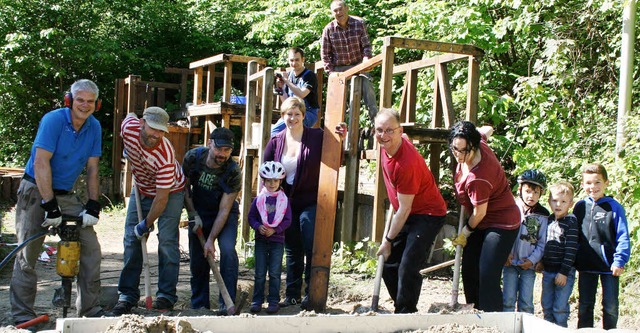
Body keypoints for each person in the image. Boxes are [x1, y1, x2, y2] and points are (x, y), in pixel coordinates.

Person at [10, 79, 104, 324]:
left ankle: (89, 311)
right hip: (36, 189)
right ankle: (22, 317)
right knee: (27, 255)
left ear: (97, 104)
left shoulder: (94, 127)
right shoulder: (53, 121)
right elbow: (41, 162)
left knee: (91, 249)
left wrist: (93, 204)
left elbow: (93, 169)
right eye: (80, 100)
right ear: (69, 100)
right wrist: (49, 205)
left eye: (90, 101)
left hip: (66, 193)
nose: (85, 105)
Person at [110, 107, 186, 316]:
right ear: (143, 123)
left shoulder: (165, 155)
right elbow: (128, 116)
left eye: (161, 131)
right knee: (131, 239)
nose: (156, 135)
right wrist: (128, 149)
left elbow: (161, 199)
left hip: (170, 192)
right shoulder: (129, 128)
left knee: (167, 241)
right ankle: (127, 295)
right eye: (153, 129)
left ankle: (166, 296)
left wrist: (146, 224)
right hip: (141, 188)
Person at [373, 109, 447, 313]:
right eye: (379, 130)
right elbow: (403, 209)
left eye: (389, 130)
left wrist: (387, 240)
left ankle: (405, 312)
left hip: (428, 214)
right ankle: (402, 305)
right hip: (405, 211)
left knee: (408, 264)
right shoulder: (386, 143)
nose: (384, 135)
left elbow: (405, 210)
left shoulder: (407, 164)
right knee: (388, 264)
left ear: (399, 131)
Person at [449, 121, 520, 312]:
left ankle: (492, 319)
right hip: (481, 221)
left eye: (464, 151)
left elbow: (480, 213)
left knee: (487, 272)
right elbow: (489, 128)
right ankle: (475, 312)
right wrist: (483, 131)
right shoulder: (477, 139)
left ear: (474, 146)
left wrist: (465, 232)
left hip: (501, 221)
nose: (459, 154)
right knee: (470, 269)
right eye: (455, 148)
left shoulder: (478, 177)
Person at [263, 96, 323, 310]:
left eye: (297, 114)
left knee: (309, 243)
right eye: (289, 114)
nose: (293, 118)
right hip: (284, 202)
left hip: (309, 199)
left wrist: (341, 134)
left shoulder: (316, 136)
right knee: (292, 248)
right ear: (283, 116)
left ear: (304, 116)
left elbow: (336, 153)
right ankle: (292, 294)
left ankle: (312, 293)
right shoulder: (276, 140)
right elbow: (265, 170)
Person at [182, 127, 241, 314]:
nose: (222, 154)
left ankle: (227, 303)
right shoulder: (193, 158)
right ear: (210, 143)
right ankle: (200, 305)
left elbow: (224, 209)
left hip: (224, 216)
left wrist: (210, 239)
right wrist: (193, 215)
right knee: (198, 259)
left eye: (227, 150)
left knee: (227, 251)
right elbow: (185, 188)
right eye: (219, 149)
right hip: (198, 211)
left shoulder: (233, 171)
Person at [573, 163, 630, 329]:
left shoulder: (614, 207)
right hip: (586, 265)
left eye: (597, 182)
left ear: (606, 183)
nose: (593, 187)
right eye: (589, 183)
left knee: (610, 306)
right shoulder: (580, 206)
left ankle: (610, 331)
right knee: (584, 305)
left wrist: (620, 260)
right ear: (583, 185)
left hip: (609, 266)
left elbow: (623, 235)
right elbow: (574, 235)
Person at [321, 0, 378, 121]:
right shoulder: (328, 29)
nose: (338, 12)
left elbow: (366, 45)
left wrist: (366, 59)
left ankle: (376, 122)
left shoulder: (359, 23)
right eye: (335, 10)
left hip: (358, 65)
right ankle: (337, 125)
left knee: (368, 88)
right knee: (337, 97)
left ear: (346, 8)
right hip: (339, 68)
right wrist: (331, 73)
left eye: (340, 9)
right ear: (332, 13)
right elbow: (325, 55)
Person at [503, 169, 550, 314]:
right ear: (520, 190)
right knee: (508, 300)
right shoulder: (510, 208)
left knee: (526, 302)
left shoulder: (542, 215)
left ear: (541, 194)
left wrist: (532, 260)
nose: (531, 196)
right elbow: (502, 233)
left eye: (536, 193)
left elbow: (542, 242)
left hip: (528, 265)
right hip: (509, 263)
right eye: (528, 191)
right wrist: (504, 253)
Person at [248, 161, 292, 314]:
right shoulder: (259, 199)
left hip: (277, 242)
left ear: (280, 181)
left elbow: (287, 220)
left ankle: (273, 301)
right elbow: (251, 217)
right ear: (263, 181)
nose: (272, 183)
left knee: (274, 272)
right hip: (261, 241)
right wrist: (257, 226)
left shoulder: (284, 201)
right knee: (259, 272)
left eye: (275, 180)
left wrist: (276, 230)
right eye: (268, 180)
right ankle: (257, 301)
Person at [539, 181, 578, 328]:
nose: (558, 205)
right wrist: (541, 261)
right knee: (546, 305)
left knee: (559, 308)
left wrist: (564, 272)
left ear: (570, 203)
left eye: (563, 201)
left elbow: (571, 249)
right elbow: (545, 244)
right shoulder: (548, 220)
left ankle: (561, 329)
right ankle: (548, 329)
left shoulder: (571, 222)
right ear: (549, 201)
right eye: (554, 200)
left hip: (563, 272)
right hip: (548, 270)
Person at [272, 47, 320, 136]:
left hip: (308, 113)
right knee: (275, 132)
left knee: (282, 131)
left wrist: (286, 81)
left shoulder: (310, 76)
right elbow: (287, 102)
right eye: (291, 60)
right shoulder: (289, 76)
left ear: (303, 60)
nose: (294, 63)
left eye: (297, 60)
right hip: (292, 111)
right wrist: (281, 88)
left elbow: (301, 94)